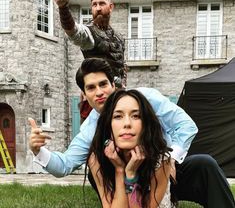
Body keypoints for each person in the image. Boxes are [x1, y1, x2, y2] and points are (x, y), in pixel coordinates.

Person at [29, 58, 235, 208]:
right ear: (84, 94)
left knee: (204, 164)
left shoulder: (145, 99)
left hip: (162, 169)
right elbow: (64, 164)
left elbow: (187, 126)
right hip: (123, 177)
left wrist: (171, 158)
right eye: (91, 88)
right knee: (95, 166)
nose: (99, 92)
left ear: (113, 84)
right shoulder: (90, 128)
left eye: (103, 84)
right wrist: (38, 150)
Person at [87, 89, 175, 207]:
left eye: (136, 116)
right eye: (118, 116)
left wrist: (130, 174)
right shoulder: (97, 159)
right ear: (108, 125)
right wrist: (119, 170)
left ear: (145, 124)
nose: (127, 123)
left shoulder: (160, 159)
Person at [52, 0, 126, 87]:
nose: (98, 8)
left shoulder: (119, 37)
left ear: (111, 7)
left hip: (118, 94)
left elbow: (122, 66)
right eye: (94, 5)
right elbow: (74, 31)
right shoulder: (89, 32)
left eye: (102, 4)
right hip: (99, 93)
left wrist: (123, 85)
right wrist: (63, 7)